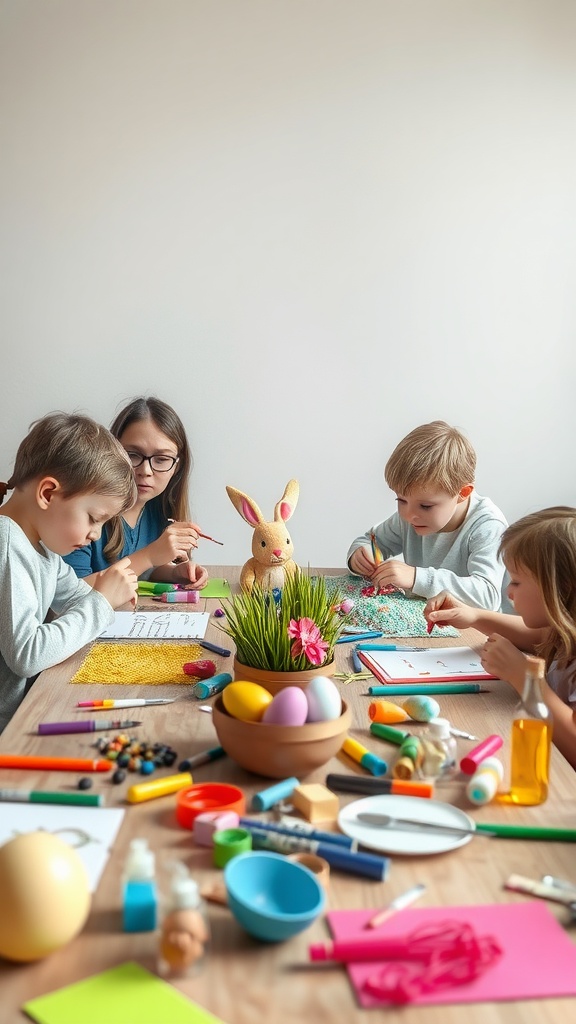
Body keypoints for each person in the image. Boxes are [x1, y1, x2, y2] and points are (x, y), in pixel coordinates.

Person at [0, 412, 138, 733]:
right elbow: (27, 654)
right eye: (93, 518)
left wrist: (103, 598)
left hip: (28, 712)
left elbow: (77, 599)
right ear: (48, 493)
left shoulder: (43, 547)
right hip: (8, 732)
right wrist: (103, 603)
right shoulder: (7, 544)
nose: (95, 534)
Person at [424, 507, 576, 769]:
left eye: (516, 582)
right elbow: (536, 636)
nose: (509, 592)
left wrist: (524, 679)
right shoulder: (563, 630)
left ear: (560, 589)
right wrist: (474, 616)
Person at [346, 420, 508, 609]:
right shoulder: (411, 518)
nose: (409, 515)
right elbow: (370, 540)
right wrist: (359, 555)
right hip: (426, 625)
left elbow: (487, 596)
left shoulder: (488, 526)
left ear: (462, 494)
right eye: (401, 500)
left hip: (475, 634)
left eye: (425, 506)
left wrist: (416, 577)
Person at [64, 397, 208, 588]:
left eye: (162, 459)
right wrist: (149, 555)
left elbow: (143, 572)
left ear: (176, 466)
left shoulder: (159, 509)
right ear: (112, 452)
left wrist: (173, 572)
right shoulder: (84, 510)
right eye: (132, 455)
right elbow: (70, 593)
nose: (146, 471)